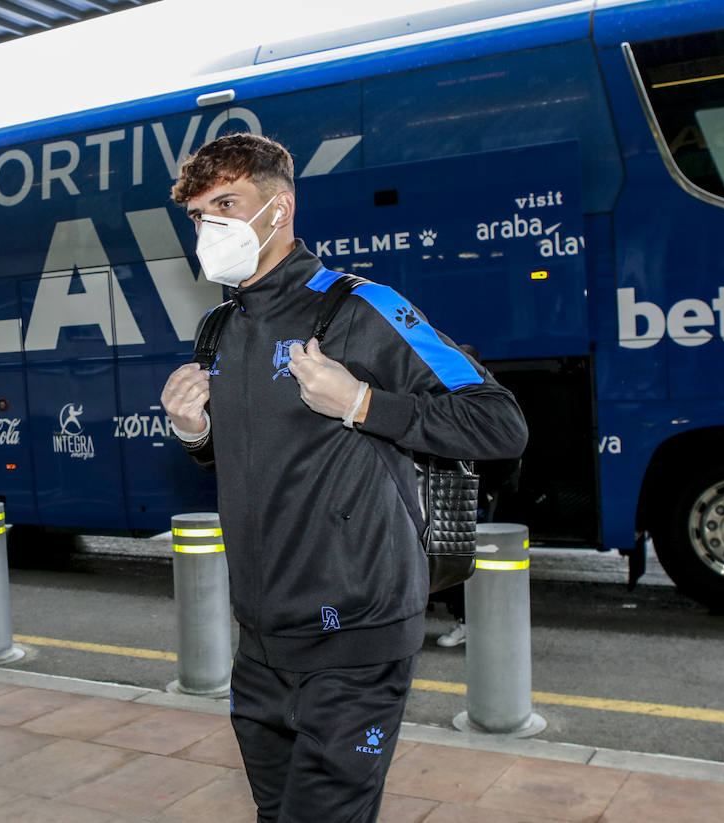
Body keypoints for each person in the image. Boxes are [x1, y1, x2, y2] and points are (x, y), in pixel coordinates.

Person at [160, 133, 527, 822]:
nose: (212, 229)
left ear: (281, 207)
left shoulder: (361, 307)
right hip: (262, 642)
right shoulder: (220, 330)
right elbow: (260, 456)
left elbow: (500, 422)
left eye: (228, 204)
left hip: (356, 634)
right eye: (200, 215)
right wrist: (197, 435)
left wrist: (363, 403)